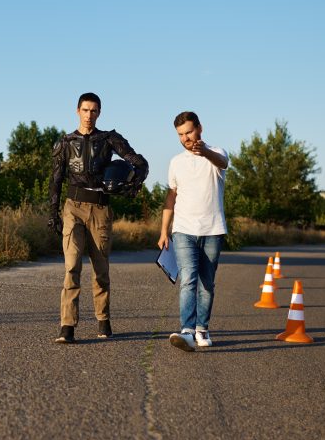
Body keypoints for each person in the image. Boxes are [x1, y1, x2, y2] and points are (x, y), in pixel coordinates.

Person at [48, 92, 148, 344]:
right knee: (72, 266)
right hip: (73, 208)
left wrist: (132, 185)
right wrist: (53, 212)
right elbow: (56, 180)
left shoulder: (109, 139)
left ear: (99, 113)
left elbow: (140, 163)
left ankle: (103, 320)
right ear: (77, 111)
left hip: (100, 209)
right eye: (85, 110)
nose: (89, 115)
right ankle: (67, 326)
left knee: (100, 269)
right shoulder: (65, 142)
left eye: (93, 111)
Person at [157, 111, 229, 351]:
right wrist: (164, 230)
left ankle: (202, 328)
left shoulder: (217, 153)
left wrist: (204, 152)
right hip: (183, 229)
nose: (185, 138)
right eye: (180, 135)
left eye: (189, 132)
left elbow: (223, 163)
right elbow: (171, 197)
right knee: (188, 278)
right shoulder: (176, 162)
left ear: (200, 128)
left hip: (213, 230)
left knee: (207, 282)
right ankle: (187, 331)